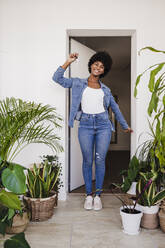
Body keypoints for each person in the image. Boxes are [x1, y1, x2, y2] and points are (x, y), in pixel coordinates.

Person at [52, 51, 133, 211]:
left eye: (102, 66)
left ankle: (98, 196)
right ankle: (88, 195)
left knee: (100, 160)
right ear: (91, 65)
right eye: (96, 64)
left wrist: (124, 126)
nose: (98, 67)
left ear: (104, 70)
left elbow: (115, 109)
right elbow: (57, 78)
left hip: (103, 125)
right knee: (88, 160)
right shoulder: (77, 83)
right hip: (86, 125)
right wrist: (68, 61)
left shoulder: (106, 90)